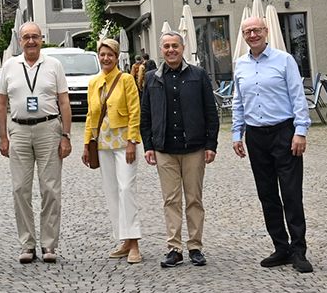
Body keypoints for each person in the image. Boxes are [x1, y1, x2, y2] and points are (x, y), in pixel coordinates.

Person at [231, 15, 313, 273]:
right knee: (267, 194)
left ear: (266, 31)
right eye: (247, 32)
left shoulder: (284, 60)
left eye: (256, 30)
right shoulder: (240, 65)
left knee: (291, 193)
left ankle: (298, 250)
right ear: (243, 36)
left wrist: (300, 131)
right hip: (256, 136)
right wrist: (237, 133)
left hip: (284, 133)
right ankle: (281, 247)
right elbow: (238, 101)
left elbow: (298, 96)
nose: (252, 35)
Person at [141, 32, 219, 268]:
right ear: (161, 50)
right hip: (164, 149)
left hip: (194, 148)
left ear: (183, 48)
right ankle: (174, 248)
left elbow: (210, 111)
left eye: (175, 45)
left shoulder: (198, 75)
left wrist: (211, 144)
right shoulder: (152, 78)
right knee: (170, 200)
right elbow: (146, 114)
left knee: (194, 199)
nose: (171, 50)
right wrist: (148, 145)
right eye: (166, 46)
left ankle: (195, 246)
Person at [0, 22, 69, 263]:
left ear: (41, 39)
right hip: (18, 130)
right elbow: (1, 104)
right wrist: (3, 137)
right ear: (20, 40)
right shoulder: (10, 66)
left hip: (48, 129)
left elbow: (64, 102)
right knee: (20, 189)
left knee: (50, 189)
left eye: (35, 37)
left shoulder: (54, 65)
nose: (30, 41)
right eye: (26, 37)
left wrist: (66, 136)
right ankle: (27, 244)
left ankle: (49, 244)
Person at [83, 37, 142, 264]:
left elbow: (135, 111)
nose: (106, 58)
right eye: (102, 54)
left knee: (127, 189)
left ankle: (134, 241)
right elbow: (91, 116)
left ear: (117, 57)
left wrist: (132, 141)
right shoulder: (94, 82)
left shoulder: (126, 79)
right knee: (112, 192)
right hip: (102, 144)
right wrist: (87, 144)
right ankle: (123, 239)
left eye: (110, 55)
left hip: (123, 142)